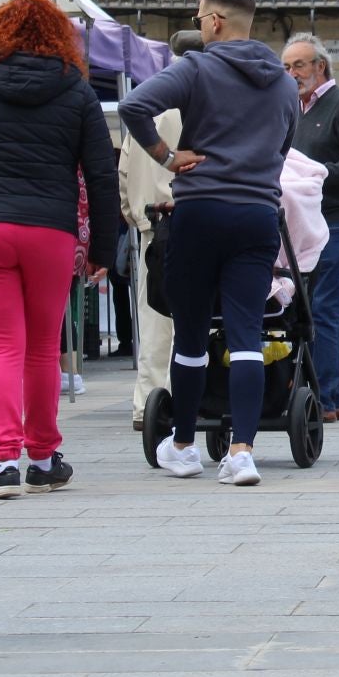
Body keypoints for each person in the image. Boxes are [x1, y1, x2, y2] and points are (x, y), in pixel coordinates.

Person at [0, 0, 120, 499]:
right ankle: (42, 457)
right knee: (43, 347)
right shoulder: (77, 92)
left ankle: (2, 464)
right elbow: (102, 175)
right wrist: (104, 246)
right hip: (49, 229)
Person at [120, 0, 298, 487]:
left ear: (215, 21)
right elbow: (284, 149)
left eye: (199, 18)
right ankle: (241, 452)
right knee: (246, 333)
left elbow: (135, 107)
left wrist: (167, 157)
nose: (199, 26)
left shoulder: (196, 67)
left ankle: (182, 445)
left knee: (193, 334)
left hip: (199, 210)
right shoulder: (285, 84)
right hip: (257, 215)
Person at [282, 33, 339, 421]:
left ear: (321, 66)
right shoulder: (290, 108)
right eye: (286, 67)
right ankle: (303, 393)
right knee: (294, 307)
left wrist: (315, 176)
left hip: (335, 220)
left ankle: (330, 398)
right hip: (293, 222)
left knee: (326, 309)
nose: (292, 74)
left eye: (299, 65)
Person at [118, 29, 204, 429]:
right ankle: (195, 396)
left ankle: (148, 405)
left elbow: (122, 173)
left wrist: (133, 214)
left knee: (154, 320)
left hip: (152, 226)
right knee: (200, 317)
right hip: (198, 219)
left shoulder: (150, 110)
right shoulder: (202, 107)